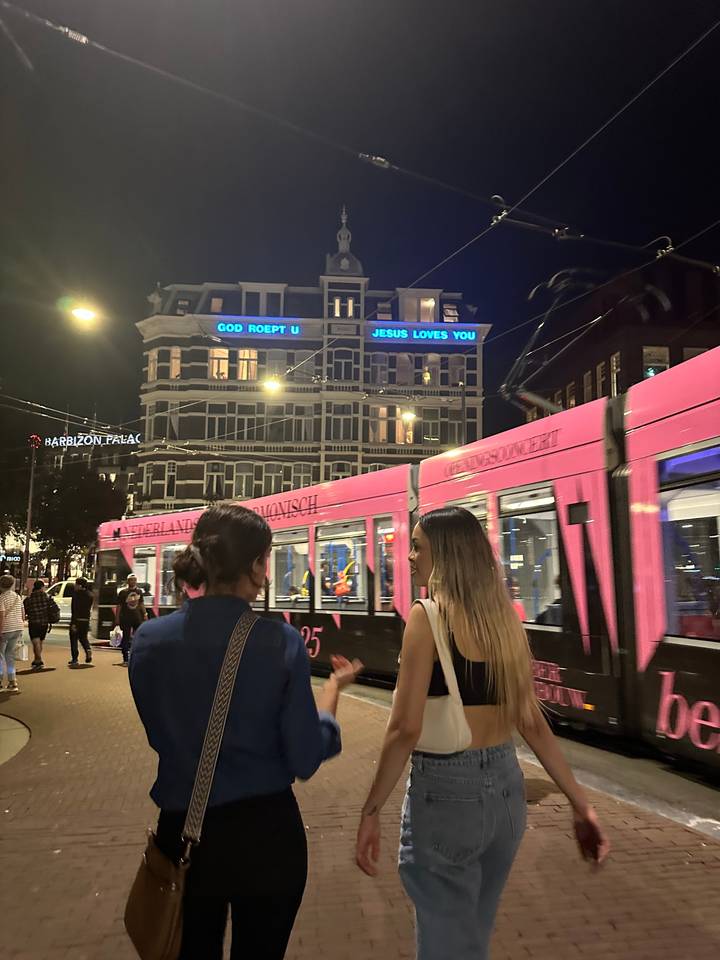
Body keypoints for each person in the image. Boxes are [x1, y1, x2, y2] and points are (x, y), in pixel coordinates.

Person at [355, 507, 609, 960]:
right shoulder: (503, 621)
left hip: (447, 793)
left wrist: (371, 809)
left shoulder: (426, 618)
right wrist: (580, 803)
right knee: (471, 934)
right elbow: (531, 722)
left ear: (447, 555)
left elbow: (404, 728)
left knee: (445, 942)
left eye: (418, 546)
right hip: (506, 795)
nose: (409, 556)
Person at [129, 504, 362, 960]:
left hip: (184, 830)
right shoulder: (278, 642)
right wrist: (331, 700)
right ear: (257, 566)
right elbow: (304, 757)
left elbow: (160, 733)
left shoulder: (150, 641)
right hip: (265, 835)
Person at [23, 579, 59, 670]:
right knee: (40, 641)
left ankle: (38, 659)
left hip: (34, 622)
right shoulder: (47, 597)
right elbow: (55, 608)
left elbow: (24, 610)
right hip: (44, 622)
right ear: (42, 587)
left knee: (35, 641)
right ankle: (37, 659)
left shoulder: (29, 599)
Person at [0, 573, 24, 693]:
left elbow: (2, 616)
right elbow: (22, 613)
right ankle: (12, 682)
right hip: (17, 627)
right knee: (9, 655)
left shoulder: (1, 598)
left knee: (0, 655)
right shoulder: (17, 597)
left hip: (6, 629)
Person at [115, 574, 147, 665]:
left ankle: (137, 657)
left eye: (134, 580)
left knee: (139, 637)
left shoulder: (139, 592)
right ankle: (125, 659)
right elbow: (119, 606)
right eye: (131, 580)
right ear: (128, 581)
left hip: (137, 618)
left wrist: (145, 614)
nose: (133, 582)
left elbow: (141, 604)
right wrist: (117, 618)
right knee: (125, 638)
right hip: (125, 618)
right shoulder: (123, 593)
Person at [69, 577, 94, 666]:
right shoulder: (90, 595)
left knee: (74, 639)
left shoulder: (76, 595)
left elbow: (74, 609)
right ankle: (88, 649)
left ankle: (75, 658)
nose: (74, 586)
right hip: (86, 619)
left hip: (77, 619)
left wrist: (73, 622)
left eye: (76, 584)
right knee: (83, 637)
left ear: (79, 585)